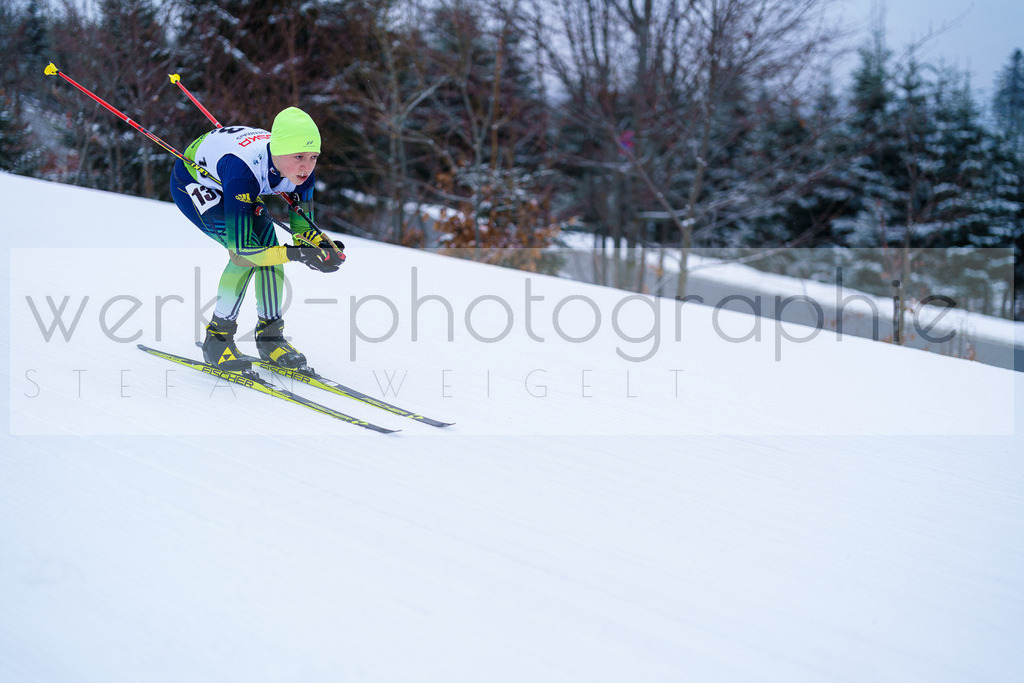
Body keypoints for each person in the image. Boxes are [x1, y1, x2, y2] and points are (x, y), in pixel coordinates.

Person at [169, 107, 344, 371]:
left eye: (313, 157)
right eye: (299, 156)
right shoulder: (245, 170)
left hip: (234, 179)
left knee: (270, 250)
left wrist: (320, 247)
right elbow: (241, 253)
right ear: (278, 151)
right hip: (195, 182)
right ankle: (217, 339)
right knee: (248, 255)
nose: (307, 166)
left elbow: (302, 230)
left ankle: (270, 337)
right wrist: (296, 253)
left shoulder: (301, 174)